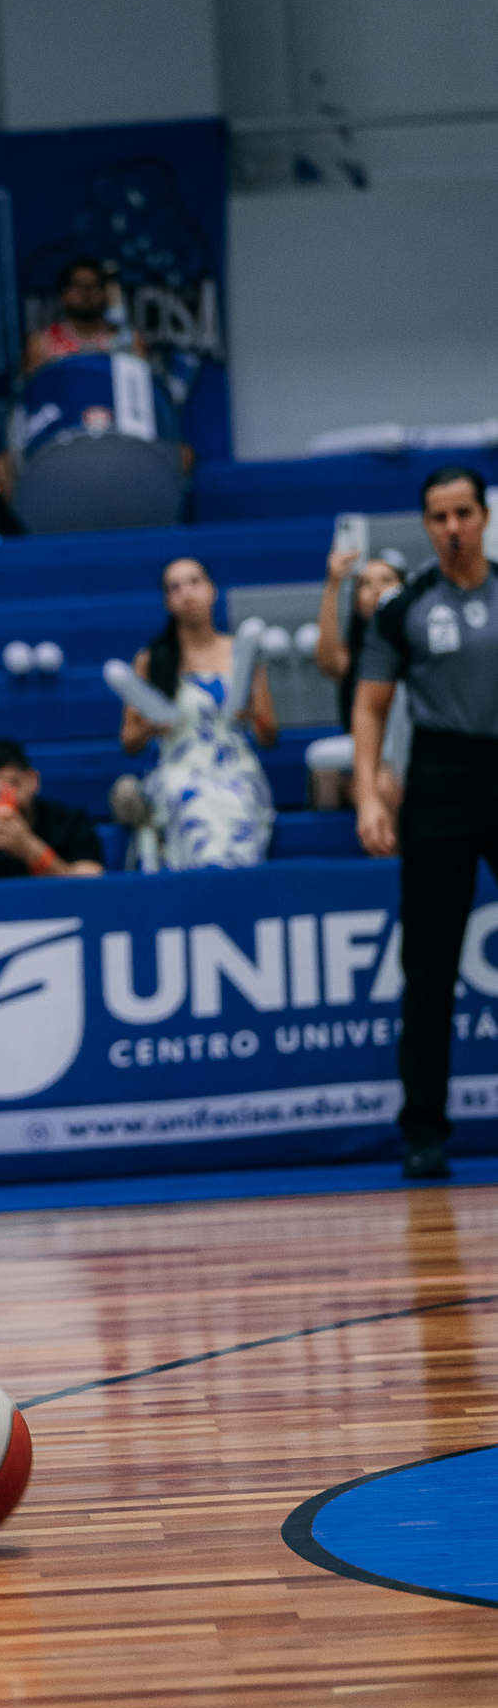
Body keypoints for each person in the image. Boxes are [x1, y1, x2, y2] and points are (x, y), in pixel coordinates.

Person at [354, 468, 498, 1181]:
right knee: (430, 961)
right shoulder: (403, 608)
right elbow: (370, 705)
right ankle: (422, 1129)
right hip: (440, 780)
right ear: (426, 525)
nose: (452, 528)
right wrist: (367, 795)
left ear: (483, 516)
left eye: (463, 513)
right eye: (439, 517)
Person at [113, 557, 277, 870]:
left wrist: (254, 717)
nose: (187, 593)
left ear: (212, 589)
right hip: (178, 769)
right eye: (175, 587)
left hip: (236, 768)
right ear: (167, 602)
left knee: (236, 800)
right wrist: (151, 726)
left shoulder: (241, 653)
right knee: (191, 798)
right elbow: (129, 741)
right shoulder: (151, 659)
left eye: (194, 582)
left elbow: (269, 735)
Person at [309, 545, 405, 810]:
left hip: (406, 760)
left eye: (386, 580)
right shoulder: (351, 655)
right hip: (360, 762)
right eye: (365, 584)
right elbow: (327, 660)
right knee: (324, 774)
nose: (376, 590)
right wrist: (334, 583)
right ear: (356, 600)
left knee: (387, 784)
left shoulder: (420, 649)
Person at [0, 737, 103, 881]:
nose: (6, 798)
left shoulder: (71, 824)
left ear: (33, 780)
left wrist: (29, 849)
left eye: (13, 784)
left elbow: (90, 885)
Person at [22, 257, 146, 377]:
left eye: (93, 285)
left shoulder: (129, 341)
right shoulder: (41, 344)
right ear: (64, 293)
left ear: (105, 292)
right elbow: (31, 388)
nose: (86, 293)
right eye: (78, 285)